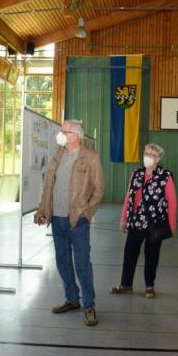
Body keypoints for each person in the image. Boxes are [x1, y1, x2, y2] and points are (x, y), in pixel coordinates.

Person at [34, 120, 104, 327]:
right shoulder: (57, 155)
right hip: (57, 218)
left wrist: (86, 214)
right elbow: (48, 187)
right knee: (62, 262)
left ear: (75, 135)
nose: (61, 134)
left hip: (77, 220)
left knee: (82, 264)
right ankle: (72, 299)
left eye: (64, 131)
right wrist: (42, 210)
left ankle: (89, 306)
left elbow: (98, 190)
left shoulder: (90, 157)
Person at [110, 144, 177, 299]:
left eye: (152, 154)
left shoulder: (165, 176)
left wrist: (172, 223)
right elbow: (129, 197)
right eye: (146, 153)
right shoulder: (136, 174)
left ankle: (149, 286)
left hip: (156, 223)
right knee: (129, 254)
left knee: (152, 255)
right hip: (136, 222)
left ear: (159, 158)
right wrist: (123, 219)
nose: (148, 156)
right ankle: (126, 285)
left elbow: (172, 201)